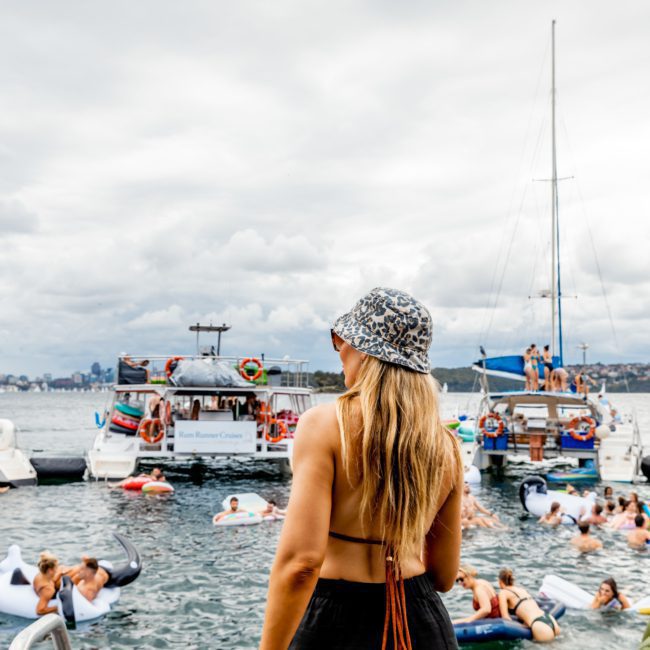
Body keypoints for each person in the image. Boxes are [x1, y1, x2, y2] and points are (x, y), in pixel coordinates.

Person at [260, 287, 462, 650]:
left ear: (364, 349)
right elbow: (445, 577)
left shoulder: (323, 425)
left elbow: (301, 564)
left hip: (336, 623)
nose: (339, 350)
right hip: (422, 622)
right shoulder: (445, 444)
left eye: (342, 339)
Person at [497, 568, 560, 642]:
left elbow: (505, 618)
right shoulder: (522, 590)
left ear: (500, 582)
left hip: (539, 625)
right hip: (550, 619)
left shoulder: (503, 593)